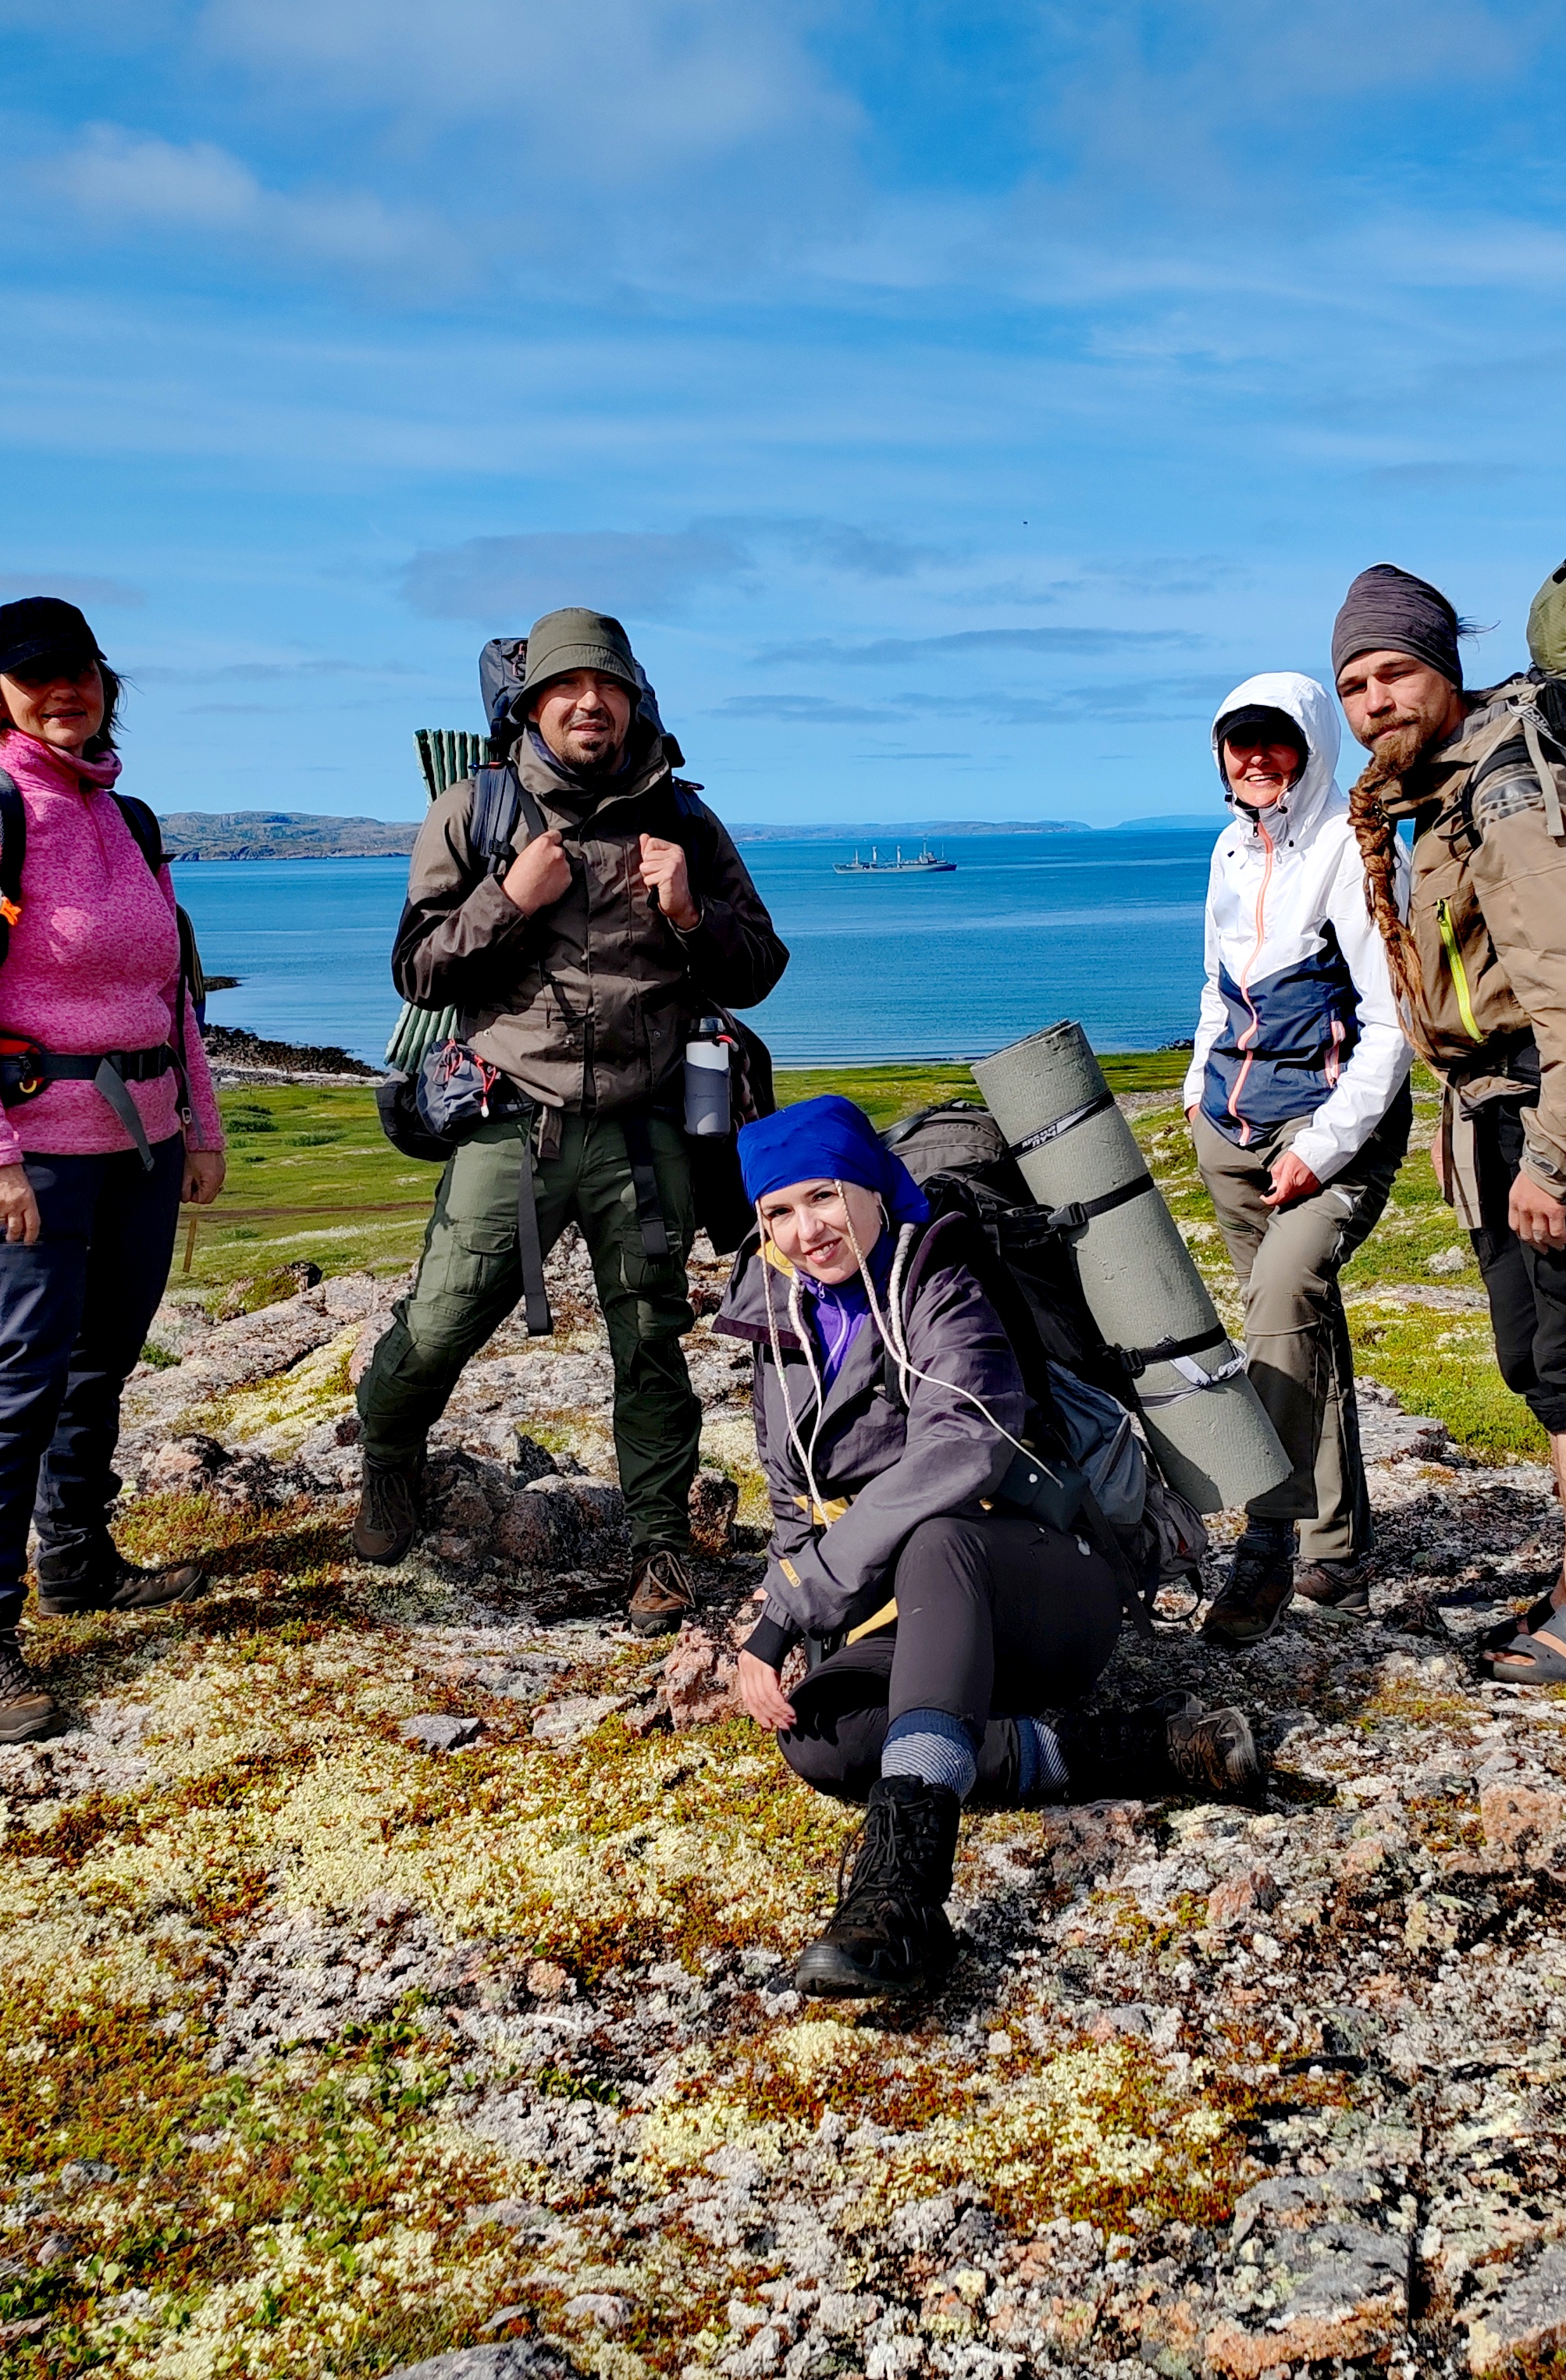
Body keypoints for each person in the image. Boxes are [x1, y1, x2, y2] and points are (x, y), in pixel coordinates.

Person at [714, 1096, 1262, 2000]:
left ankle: (901, 1899)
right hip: (920, 1620)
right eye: (777, 1212)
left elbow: (963, 1446)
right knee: (823, 1739)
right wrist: (791, 1633)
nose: (805, 1230)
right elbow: (791, 1498)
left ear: (871, 1186)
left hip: (1045, 1588)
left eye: (822, 1196)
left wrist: (791, 1605)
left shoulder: (939, 1278)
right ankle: (1130, 1749)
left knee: (939, 1536)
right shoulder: (780, 1318)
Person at [354, 609, 788, 1634]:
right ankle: (387, 1457)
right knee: (441, 1325)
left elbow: (759, 970)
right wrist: (510, 897)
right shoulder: (474, 812)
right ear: (532, 704)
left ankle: (661, 1547)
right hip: (512, 1124)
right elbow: (419, 971)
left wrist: (690, 914)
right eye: (567, 688)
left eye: (611, 687)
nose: (590, 703)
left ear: (637, 701)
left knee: (652, 1341)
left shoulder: (683, 821)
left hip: (647, 1131)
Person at [1332, 565, 1566, 1680]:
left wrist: (1559, 1155)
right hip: (1499, 1107)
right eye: (1355, 684)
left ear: (1446, 671)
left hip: (1555, 1104)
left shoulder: (1509, 792)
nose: (1377, 700)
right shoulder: (1446, 789)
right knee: (1547, 1361)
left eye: (1396, 671)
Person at [0, 596, 227, 1744]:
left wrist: (201, 1126)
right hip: (24, 1158)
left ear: (105, 679)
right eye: (32, 679)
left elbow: (171, 989)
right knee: (14, 1384)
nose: (60, 692)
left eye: (75, 671)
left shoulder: (130, 821)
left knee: (100, 1368)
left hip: (136, 1149)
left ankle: (79, 1561)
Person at [1182, 672, 1415, 1647]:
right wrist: (1197, 1088)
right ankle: (1338, 1552)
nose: (1256, 757)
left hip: (1324, 1130)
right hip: (1229, 1132)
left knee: (1281, 1308)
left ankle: (1268, 1544)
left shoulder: (1353, 850)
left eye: (1275, 739)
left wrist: (1322, 1149)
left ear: (1311, 746)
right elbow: (1213, 981)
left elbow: (1393, 1019)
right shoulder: (1230, 849)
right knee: (1294, 1328)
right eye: (1239, 742)